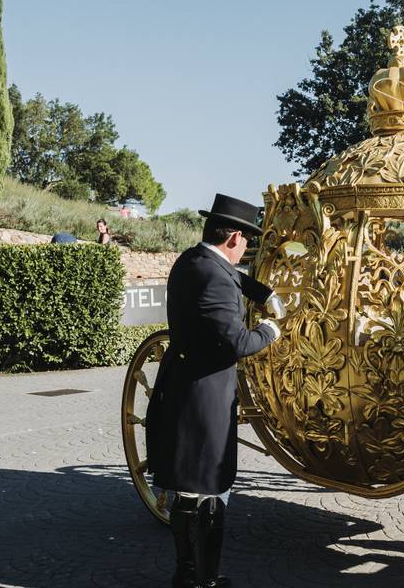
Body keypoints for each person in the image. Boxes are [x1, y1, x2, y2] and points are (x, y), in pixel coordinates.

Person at [145, 193, 287, 588]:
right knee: (211, 491)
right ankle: (205, 580)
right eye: (247, 243)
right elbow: (237, 343)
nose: (246, 251)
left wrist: (264, 293)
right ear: (234, 238)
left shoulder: (192, 260)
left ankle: (186, 574)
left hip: (183, 384)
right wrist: (269, 331)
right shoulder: (212, 277)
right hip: (205, 396)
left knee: (187, 491)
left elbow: (232, 276)